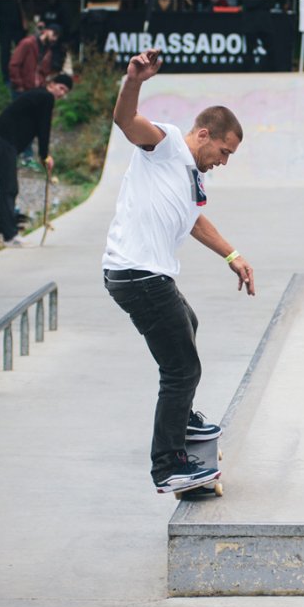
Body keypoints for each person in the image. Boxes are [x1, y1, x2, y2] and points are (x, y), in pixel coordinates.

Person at [102, 49, 255, 495]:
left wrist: (233, 256)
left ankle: (181, 419)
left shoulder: (192, 177)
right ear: (204, 134)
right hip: (138, 273)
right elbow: (126, 120)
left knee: (188, 323)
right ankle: (167, 466)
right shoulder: (165, 145)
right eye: (223, 152)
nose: (223, 162)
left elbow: (193, 221)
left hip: (145, 274)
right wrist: (134, 80)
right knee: (181, 368)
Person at [0, 73, 72, 247]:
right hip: (4, 141)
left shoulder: (39, 96)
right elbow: (44, 128)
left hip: (3, 141)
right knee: (9, 188)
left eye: (66, 91)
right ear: (52, 84)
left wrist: (43, 155)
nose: (62, 93)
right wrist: (44, 155)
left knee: (9, 188)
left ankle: (10, 234)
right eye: (61, 88)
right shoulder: (46, 97)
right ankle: (10, 236)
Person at [9, 24, 60, 95]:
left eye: (57, 36)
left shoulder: (48, 52)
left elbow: (45, 72)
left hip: (37, 89)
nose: (54, 38)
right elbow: (14, 64)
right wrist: (18, 84)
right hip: (22, 89)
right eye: (54, 34)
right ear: (45, 31)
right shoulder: (27, 43)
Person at [0, 0, 26, 88]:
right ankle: (7, 77)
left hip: (18, 20)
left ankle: (23, 73)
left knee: (22, 48)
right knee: (5, 50)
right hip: (3, 20)